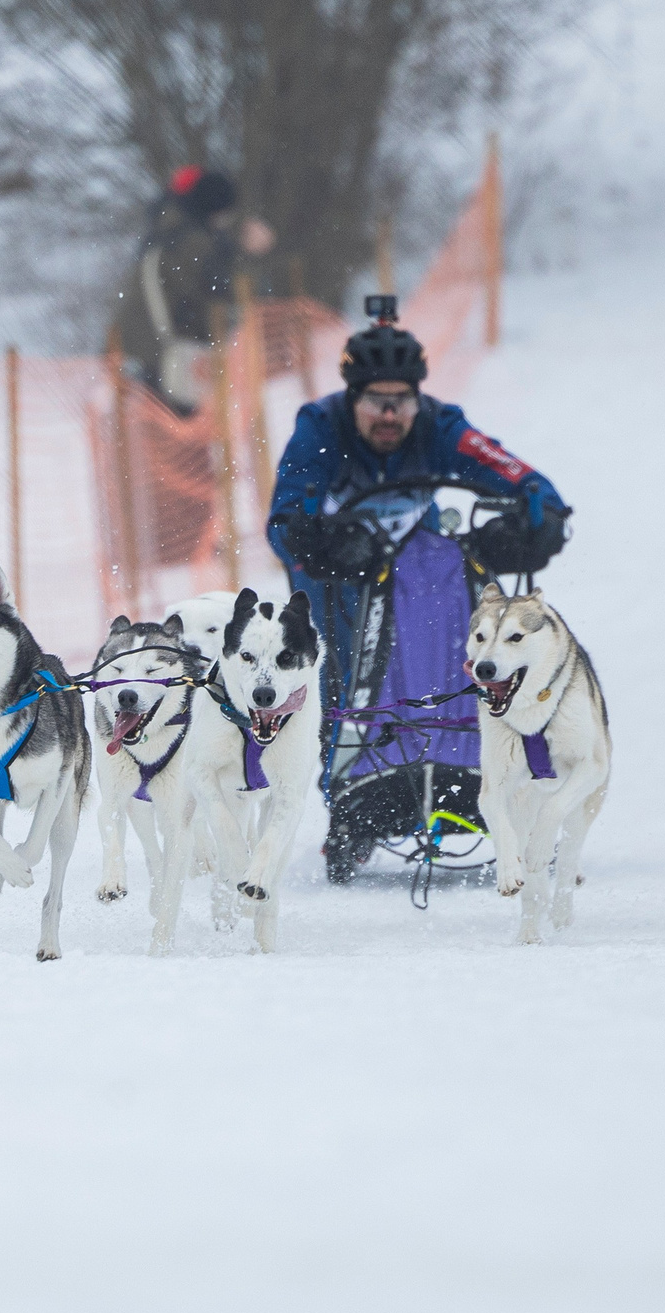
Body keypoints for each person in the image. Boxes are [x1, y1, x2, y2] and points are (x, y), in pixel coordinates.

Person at [265, 298, 570, 877]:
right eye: (377, 401)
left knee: (454, 608)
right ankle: (352, 790)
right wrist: (319, 542)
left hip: (411, 567)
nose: (390, 415)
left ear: (418, 399)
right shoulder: (319, 429)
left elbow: (523, 479)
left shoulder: (440, 425)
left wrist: (536, 520)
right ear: (351, 398)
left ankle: (476, 759)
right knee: (347, 665)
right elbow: (286, 519)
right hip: (336, 576)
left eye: (401, 402)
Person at [126, 165, 276, 410]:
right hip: (171, 360)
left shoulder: (165, 232)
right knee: (184, 440)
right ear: (213, 208)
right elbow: (227, 291)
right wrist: (249, 254)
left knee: (158, 437)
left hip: (146, 354)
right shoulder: (194, 243)